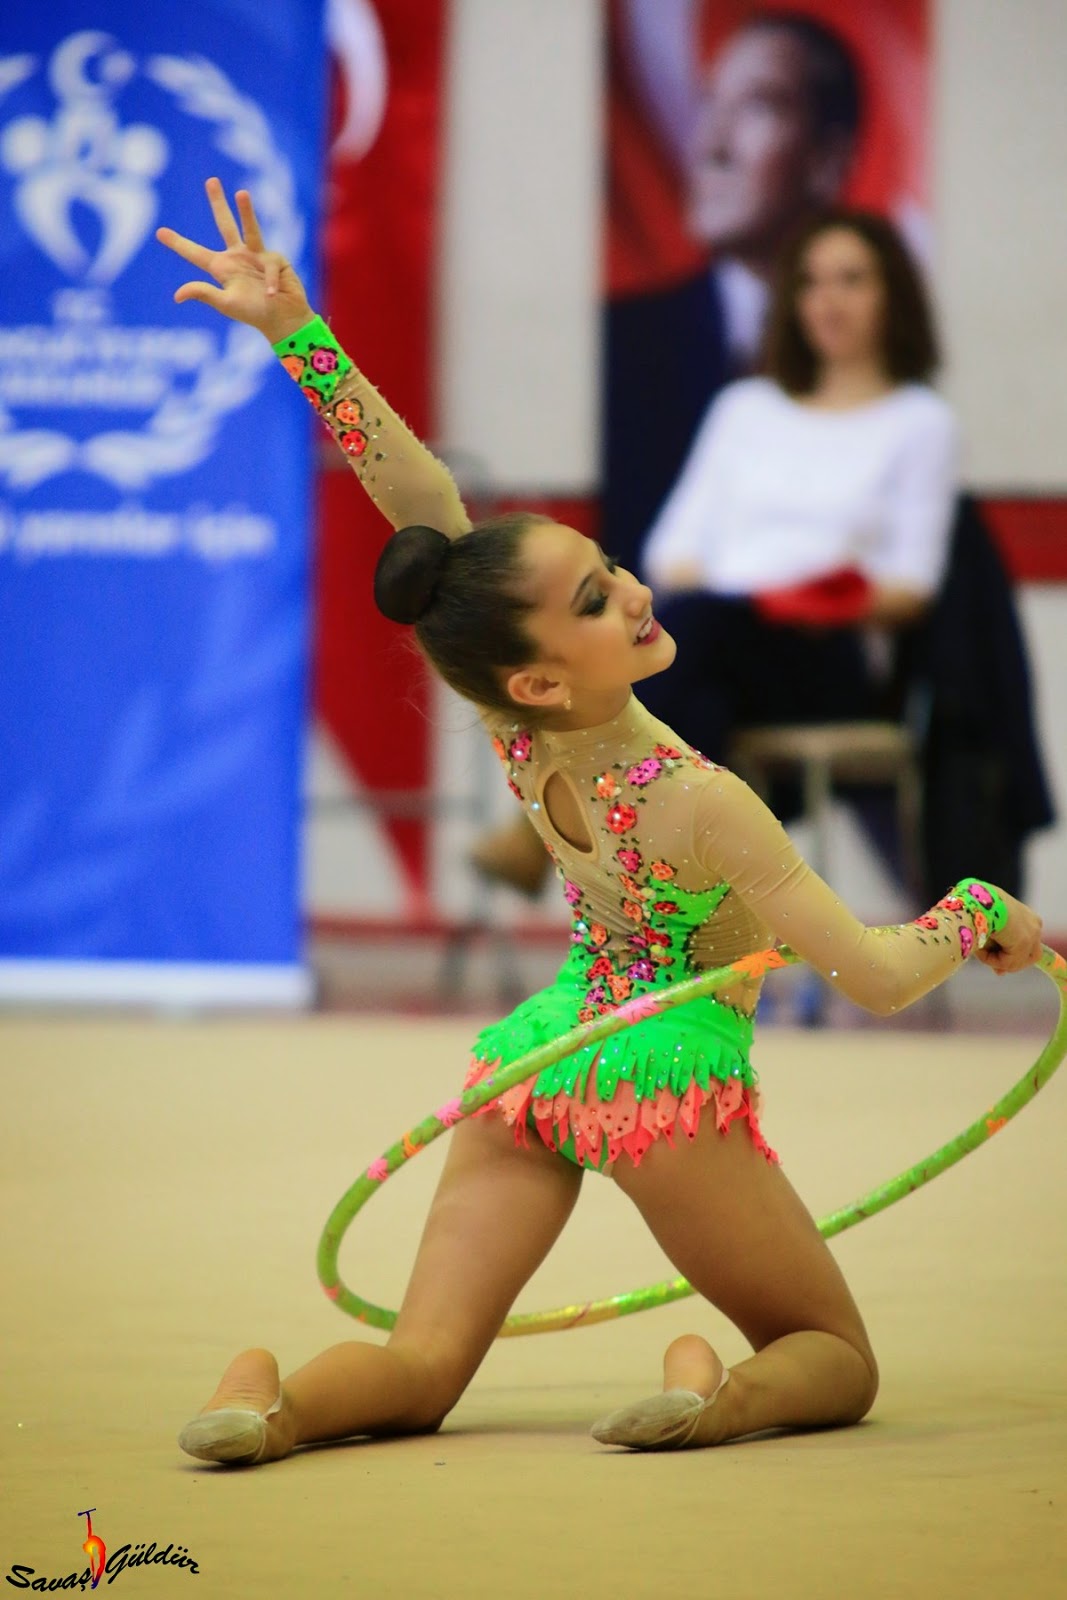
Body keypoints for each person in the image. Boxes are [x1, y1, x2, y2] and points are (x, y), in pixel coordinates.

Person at [160, 180, 1042, 1466]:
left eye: (608, 566)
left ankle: (273, 1399)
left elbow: (424, 517)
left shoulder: (516, 726)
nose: (632, 590)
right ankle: (712, 1393)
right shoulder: (702, 801)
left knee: (418, 1368)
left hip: (542, 1056)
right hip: (656, 1075)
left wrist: (299, 333)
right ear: (537, 676)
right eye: (593, 599)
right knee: (833, 1356)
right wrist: (977, 909)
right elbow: (871, 974)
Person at [483, 207, 958, 896]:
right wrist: (745, 598)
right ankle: (689, 906)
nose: (829, 300)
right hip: (719, 645)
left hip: (829, 656)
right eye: (812, 282)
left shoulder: (919, 422)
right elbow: (671, 550)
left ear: (893, 294)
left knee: (681, 641)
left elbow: (910, 586)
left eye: (852, 280)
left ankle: (554, 819)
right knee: (696, 701)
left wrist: (799, 595)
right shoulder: (746, 407)